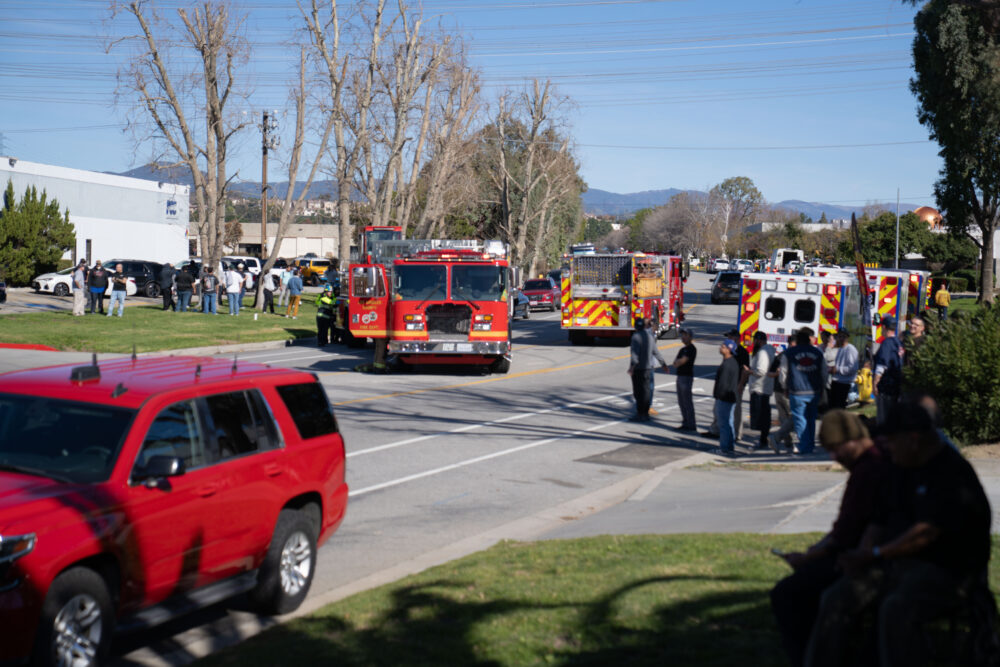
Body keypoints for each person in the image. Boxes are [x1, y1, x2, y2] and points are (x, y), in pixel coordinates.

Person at [804, 401, 993, 667]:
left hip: (949, 571)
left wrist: (875, 553)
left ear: (913, 439)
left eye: (891, 441)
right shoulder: (902, 469)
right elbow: (880, 520)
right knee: (837, 596)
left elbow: (925, 532)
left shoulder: (951, 473)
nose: (886, 448)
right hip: (899, 564)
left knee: (898, 608)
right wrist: (862, 556)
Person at [771, 410, 892, 667]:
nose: (834, 457)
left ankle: (811, 658)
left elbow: (847, 534)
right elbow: (846, 528)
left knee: (788, 594)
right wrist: (816, 551)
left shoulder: (869, 469)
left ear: (853, 439)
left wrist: (810, 557)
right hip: (863, 552)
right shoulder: (873, 460)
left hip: (868, 559)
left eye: (836, 449)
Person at [780, 326, 827, 454]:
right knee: (811, 419)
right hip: (814, 391)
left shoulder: (789, 353)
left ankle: (804, 445)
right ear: (808, 340)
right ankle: (810, 445)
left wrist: (784, 387)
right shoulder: (818, 353)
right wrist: (823, 387)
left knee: (799, 419)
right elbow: (824, 372)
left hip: (797, 391)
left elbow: (783, 372)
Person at [626, 317, 668, 422]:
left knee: (638, 392)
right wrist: (663, 364)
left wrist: (632, 367)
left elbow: (635, 354)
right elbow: (656, 352)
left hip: (639, 369)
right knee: (646, 391)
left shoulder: (635, 337)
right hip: (648, 369)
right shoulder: (650, 337)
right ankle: (645, 413)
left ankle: (640, 413)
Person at [872, 315, 903, 426]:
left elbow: (882, 366)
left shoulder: (887, 343)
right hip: (896, 387)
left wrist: (875, 383)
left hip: (886, 387)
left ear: (884, 327)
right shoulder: (898, 343)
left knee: (883, 420)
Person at [713, 339, 741, 456]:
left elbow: (723, 384)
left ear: (729, 349)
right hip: (731, 398)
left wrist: (718, 395)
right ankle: (730, 446)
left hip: (725, 398)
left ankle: (725, 448)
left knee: (724, 424)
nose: (721, 347)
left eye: (723, 346)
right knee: (729, 422)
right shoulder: (732, 362)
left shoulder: (728, 364)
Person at [769, 337, 797, 453]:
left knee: (786, 418)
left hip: (780, 390)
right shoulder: (788, 356)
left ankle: (788, 442)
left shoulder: (782, 355)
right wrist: (777, 373)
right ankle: (784, 440)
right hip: (784, 391)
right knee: (790, 418)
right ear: (791, 343)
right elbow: (770, 372)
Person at [749, 330, 775, 450]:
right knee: (763, 416)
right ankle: (763, 439)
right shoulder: (767, 351)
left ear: (759, 340)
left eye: (755, 339)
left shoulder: (763, 353)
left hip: (760, 388)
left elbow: (761, 370)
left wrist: (749, 371)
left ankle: (763, 440)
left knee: (761, 417)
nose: (754, 342)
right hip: (763, 387)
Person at [668, 328, 698, 432]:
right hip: (680, 376)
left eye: (685, 335)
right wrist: (678, 362)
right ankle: (685, 422)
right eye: (682, 335)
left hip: (687, 377)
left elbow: (683, 360)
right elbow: (675, 362)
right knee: (681, 401)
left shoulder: (691, 349)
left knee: (687, 401)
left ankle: (691, 424)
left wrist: (679, 362)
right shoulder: (682, 350)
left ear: (690, 337)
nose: (683, 337)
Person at [827, 330, 859, 410]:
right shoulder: (840, 349)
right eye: (839, 336)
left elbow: (853, 368)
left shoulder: (851, 349)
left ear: (847, 338)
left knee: (839, 407)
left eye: (843, 336)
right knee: (832, 407)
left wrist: (837, 369)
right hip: (836, 381)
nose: (841, 338)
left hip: (844, 383)